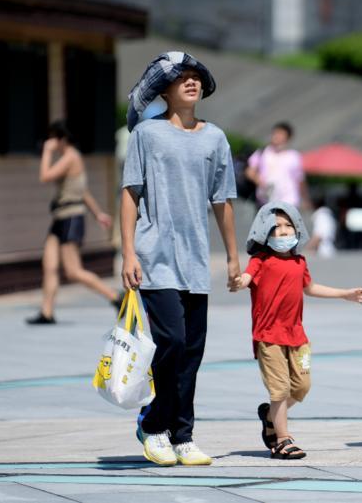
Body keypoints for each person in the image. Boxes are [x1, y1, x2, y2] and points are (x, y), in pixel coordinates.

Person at [121, 51, 240, 467]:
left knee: (192, 351)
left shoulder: (215, 138)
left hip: (195, 260)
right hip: (154, 255)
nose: (191, 82)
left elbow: (222, 200)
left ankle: (183, 435)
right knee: (170, 340)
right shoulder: (146, 135)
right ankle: (154, 425)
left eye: (196, 77)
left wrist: (231, 256)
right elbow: (130, 193)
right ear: (165, 90)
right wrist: (128, 251)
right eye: (181, 78)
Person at [232, 202, 362, 459]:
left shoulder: (299, 262)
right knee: (280, 390)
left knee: (301, 387)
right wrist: (237, 280)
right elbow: (246, 279)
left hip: (297, 337)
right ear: (264, 232)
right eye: (276, 227)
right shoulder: (260, 261)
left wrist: (345, 294)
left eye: (288, 225)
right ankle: (282, 440)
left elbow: (310, 287)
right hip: (268, 336)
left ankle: (270, 416)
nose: (284, 231)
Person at [26, 121, 121, 325]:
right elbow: (83, 191)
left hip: (71, 218)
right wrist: (98, 214)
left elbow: (44, 176)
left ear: (61, 138)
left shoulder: (71, 157)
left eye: (52, 138)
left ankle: (115, 297)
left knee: (73, 271)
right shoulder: (69, 158)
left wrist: (46, 151)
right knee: (49, 265)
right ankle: (47, 312)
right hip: (60, 217)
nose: (50, 142)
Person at [245, 122, 308, 208]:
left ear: (288, 137)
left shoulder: (294, 156)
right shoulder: (263, 152)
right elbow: (250, 171)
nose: (276, 136)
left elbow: (300, 179)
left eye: (280, 134)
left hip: (289, 201)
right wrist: (261, 182)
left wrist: (305, 199)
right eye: (275, 133)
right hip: (266, 200)